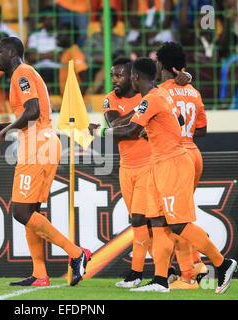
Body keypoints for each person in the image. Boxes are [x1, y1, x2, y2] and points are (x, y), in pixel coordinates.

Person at [95, 57, 237, 293]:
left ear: (136, 77)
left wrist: (99, 132)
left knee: (178, 223)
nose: (129, 79)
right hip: (159, 164)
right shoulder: (161, 96)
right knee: (159, 223)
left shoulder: (151, 99)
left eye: (130, 76)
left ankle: (222, 263)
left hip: (172, 163)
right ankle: (161, 280)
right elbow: (178, 119)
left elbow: (130, 129)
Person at [0, 37, 92, 287]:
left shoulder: (21, 73)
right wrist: (3, 126)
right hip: (39, 141)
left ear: (11, 52)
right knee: (30, 212)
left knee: (21, 212)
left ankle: (77, 253)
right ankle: (40, 274)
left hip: (37, 145)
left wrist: (3, 133)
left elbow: (32, 112)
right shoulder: (24, 74)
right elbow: (31, 113)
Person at [89, 56, 193, 288]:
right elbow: (116, 125)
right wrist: (141, 112)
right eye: (112, 75)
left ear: (133, 75)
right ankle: (164, 271)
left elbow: (175, 119)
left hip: (150, 164)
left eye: (120, 75)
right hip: (126, 168)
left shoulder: (149, 96)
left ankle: (149, 274)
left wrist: (140, 115)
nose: (115, 79)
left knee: (146, 220)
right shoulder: (111, 99)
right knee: (139, 223)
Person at [157, 41, 209, 289]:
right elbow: (203, 130)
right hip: (193, 153)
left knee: (175, 220)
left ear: (161, 65)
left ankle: (188, 275)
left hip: (174, 155)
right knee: (181, 216)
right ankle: (197, 264)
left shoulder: (161, 92)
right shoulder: (194, 91)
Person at [84, 9, 128, 94]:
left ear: (114, 23)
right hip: (94, 69)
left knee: (110, 67)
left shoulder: (121, 39)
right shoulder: (93, 38)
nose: (104, 24)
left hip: (117, 68)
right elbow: (86, 57)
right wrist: (98, 59)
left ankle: (95, 94)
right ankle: (97, 93)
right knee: (108, 67)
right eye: (102, 21)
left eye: (108, 21)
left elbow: (129, 55)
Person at [26, 6, 61, 95]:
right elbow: (32, 57)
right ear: (42, 21)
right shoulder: (35, 36)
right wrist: (52, 54)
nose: (49, 21)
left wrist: (40, 55)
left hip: (57, 70)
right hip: (39, 70)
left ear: (57, 20)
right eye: (46, 19)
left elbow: (61, 58)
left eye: (52, 18)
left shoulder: (62, 35)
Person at [57, 23, 89, 96]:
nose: (57, 37)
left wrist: (76, 101)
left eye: (60, 34)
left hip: (80, 105)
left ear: (69, 37)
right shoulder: (66, 52)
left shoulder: (75, 52)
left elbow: (85, 79)